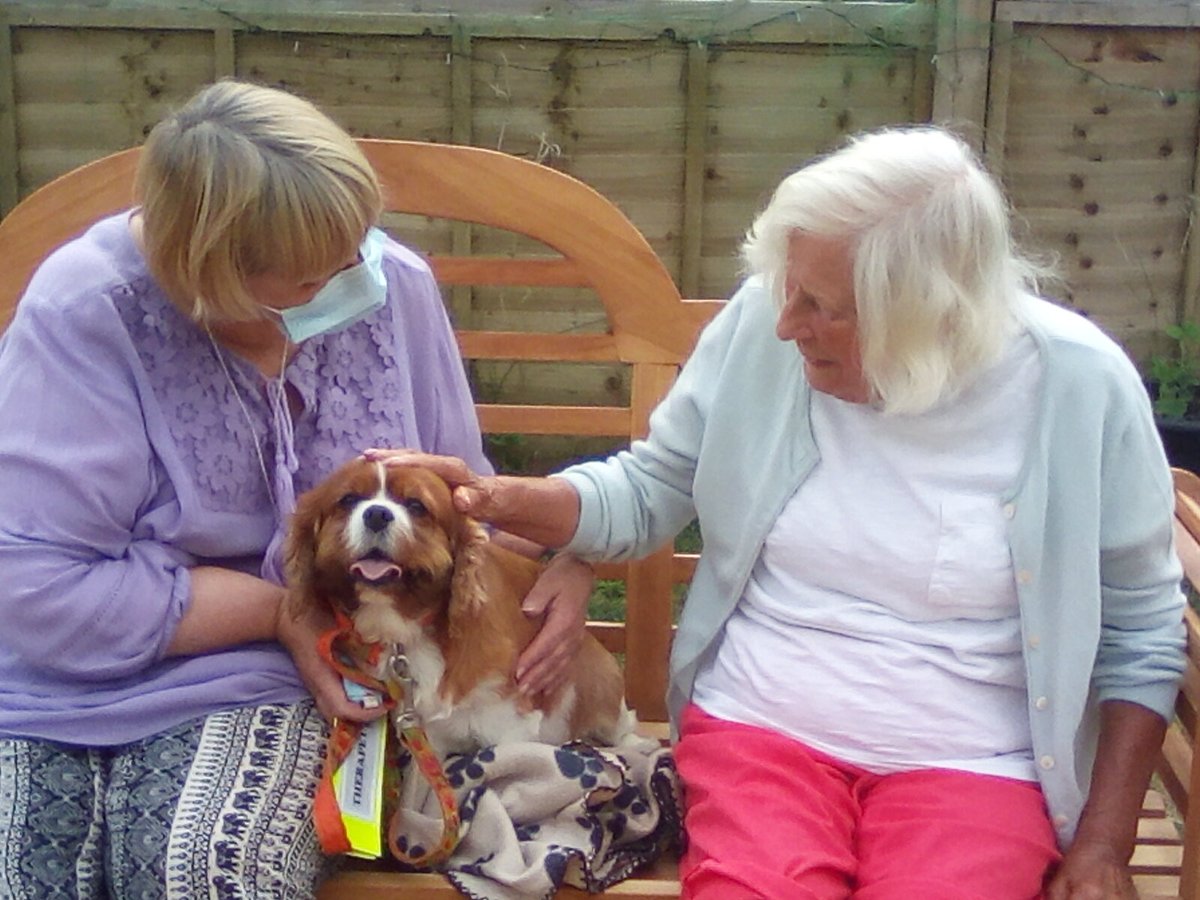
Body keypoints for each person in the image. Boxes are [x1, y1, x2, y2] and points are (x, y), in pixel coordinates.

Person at [372, 125, 1189, 899]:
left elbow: (1143, 633)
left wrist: (1102, 846)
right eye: (787, 290)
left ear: (926, 312)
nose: (786, 323)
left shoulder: (1079, 386)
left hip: (980, 759)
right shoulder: (766, 333)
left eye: (822, 306)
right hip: (764, 732)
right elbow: (652, 488)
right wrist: (515, 500)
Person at [0, 79, 592, 898]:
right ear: (208, 273)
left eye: (359, 242)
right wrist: (284, 605)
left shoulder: (391, 285)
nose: (358, 275)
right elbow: (36, 589)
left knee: (206, 874)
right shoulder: (86, 310)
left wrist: (576, 553)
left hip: (269, 680)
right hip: (48, 687)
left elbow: (462, 506)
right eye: (316, 273)